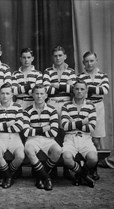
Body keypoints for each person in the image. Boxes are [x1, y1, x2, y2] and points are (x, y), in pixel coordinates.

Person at [43, 46, 77, 179]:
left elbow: (73, 90)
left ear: (65, 56)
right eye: (55, 55)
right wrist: (65, 86)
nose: (58, 58)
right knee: (52, 134)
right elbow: (46, 90)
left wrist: (56, 85)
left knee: (66, 134)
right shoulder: (47, 71)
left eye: (60, 55)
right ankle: (53, 167)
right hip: (51, 102)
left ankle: (67, 168)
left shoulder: (71, 72)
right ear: (53, 57)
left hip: (66, 103)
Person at [77, 51, 110, 180]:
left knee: (96, 140)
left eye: (92, 61)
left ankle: (93, 169)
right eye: (86, 61)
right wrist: (92, 88)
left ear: (96, 60)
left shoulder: (102, 75)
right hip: (84, 107)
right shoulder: (80, 76)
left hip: (98, 106)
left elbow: (105, 90)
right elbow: (78, 91)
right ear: (83, 62)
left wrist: (86, 88)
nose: (89, 64)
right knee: (84, 138)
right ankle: (83, 169)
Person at [23, 84, 62, 191]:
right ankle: (47, 178)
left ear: (46, 95)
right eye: (36, 93)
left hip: (48, 140)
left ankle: (40, 176)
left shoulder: (52, 110)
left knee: (58, 150)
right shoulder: (27, 111)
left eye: (41, 94)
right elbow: (26, 132)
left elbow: (54, 132)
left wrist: (34, 130)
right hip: (32, 139)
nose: (39, 96)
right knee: (28, 149)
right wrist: (44, 129)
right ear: (32, 95)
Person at [61, 79, 97, 188]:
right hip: (70, 137)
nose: (79, 91)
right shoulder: (66, 106)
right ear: (73, 90)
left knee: (93, 158)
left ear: (86, 91)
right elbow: (65, 126)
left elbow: (91, 127)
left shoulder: (91, 106)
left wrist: (74, 123)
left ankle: (79, 175)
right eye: (77, 89)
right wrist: (83, 122)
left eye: (82, 89)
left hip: (85, 138)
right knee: (67, 158)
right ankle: (83, 175)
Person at [0, 83, 25, 189]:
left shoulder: (17, 107)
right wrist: (9, 124)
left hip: (15, 136)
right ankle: (9, 177)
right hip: (0, 137)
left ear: (12, 95)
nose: (5, 96)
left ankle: (5, 174)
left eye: (7, 93)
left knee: (21, 156)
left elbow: (19, 127)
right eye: (2, 93)